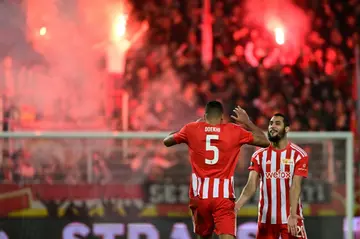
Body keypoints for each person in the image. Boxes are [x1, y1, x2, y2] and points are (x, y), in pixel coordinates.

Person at [163, 101, 270, 239]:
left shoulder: (192, 129)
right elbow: (265, 141)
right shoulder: (234, 130)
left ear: (204, 116)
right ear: (222, 118)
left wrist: (188, 129)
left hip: (200, 196)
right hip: (223, 197)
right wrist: (247, 122)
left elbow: (167, 141)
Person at [235, 113, 309, 239]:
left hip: (291, 219)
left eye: (277, 123)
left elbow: (295, 186)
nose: (272, 126)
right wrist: (237, 206)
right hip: (266, 221)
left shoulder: (299, 155)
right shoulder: (259, 156)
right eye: (270, 123)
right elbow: (251, 186)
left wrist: (292, 214)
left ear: (286, 129)